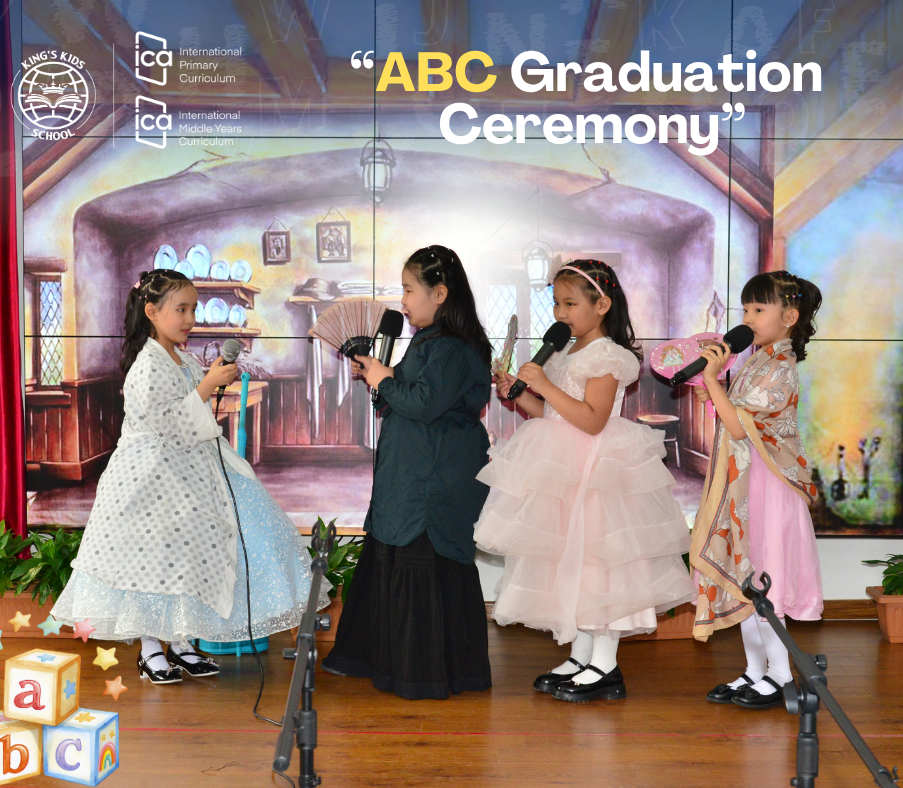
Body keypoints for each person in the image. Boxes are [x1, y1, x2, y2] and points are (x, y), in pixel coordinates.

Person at [52, 269, 328, 684]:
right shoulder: (147, 364)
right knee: (151, 560)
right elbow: (167, 421)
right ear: (151, 311)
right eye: (180, 309)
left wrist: (208, 378)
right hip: (150, 479)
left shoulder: (182, 359)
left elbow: (191, 413)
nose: (189, 318)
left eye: (193, 309)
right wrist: (207, 385)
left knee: (184, 557)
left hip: (187, 473)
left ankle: (180, 642)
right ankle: (150, 649)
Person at [474, 259, 693, 703]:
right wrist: (521, 394)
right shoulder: (564, 352)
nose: (560, 313)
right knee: (570, 563)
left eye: (570, 303)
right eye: (556, 303)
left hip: (597, 471)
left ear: (602, 305)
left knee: (599, 565)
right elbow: (552, 414)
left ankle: (606, 665)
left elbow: (592, 420)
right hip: (564, 470)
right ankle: (581, 654)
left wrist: (545, 386)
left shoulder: (608, 355)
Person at [320, 245, 493, 700]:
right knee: (393, 553)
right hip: (411, 469)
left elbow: (425, 403)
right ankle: (378, 660)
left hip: (433, 477)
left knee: (425, 559)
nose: (403, 300)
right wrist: (380, 376)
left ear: (440, 293)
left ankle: (423, 672)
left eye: (409, 290)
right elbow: (406, 395)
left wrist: (385, 378)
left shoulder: (453, 346)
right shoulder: (428, 339)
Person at [693, 270, 823, 709]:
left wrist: (713, 381)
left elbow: (739, 428)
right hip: (747, 482)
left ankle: (780, 675)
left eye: (758, 309)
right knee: (748, 580)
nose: (747, 317)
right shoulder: (756, 360)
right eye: (745, 308)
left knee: (766, 580)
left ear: (789, 316)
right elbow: (736, 419)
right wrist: (715, 385)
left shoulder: (781, 367)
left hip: (769, 487)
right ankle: (755, 670)